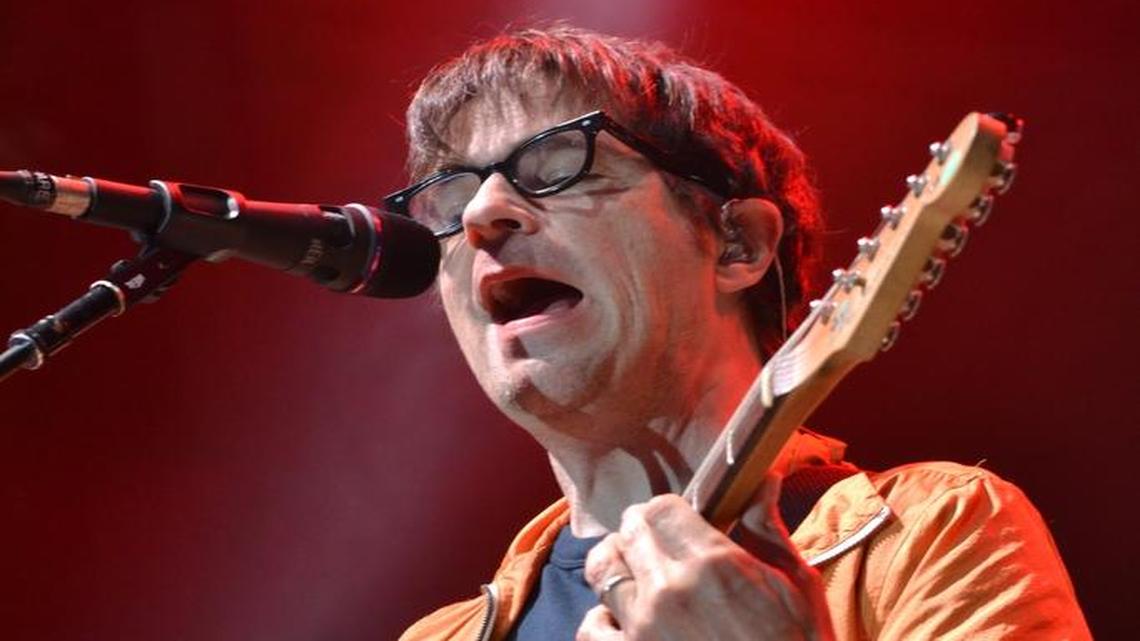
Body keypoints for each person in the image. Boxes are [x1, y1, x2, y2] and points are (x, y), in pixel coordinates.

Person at [392, 26, 1090, 641]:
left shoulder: (930, 532)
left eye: (555, 164)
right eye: (450, 197)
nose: (484, 212)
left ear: (739, 244)